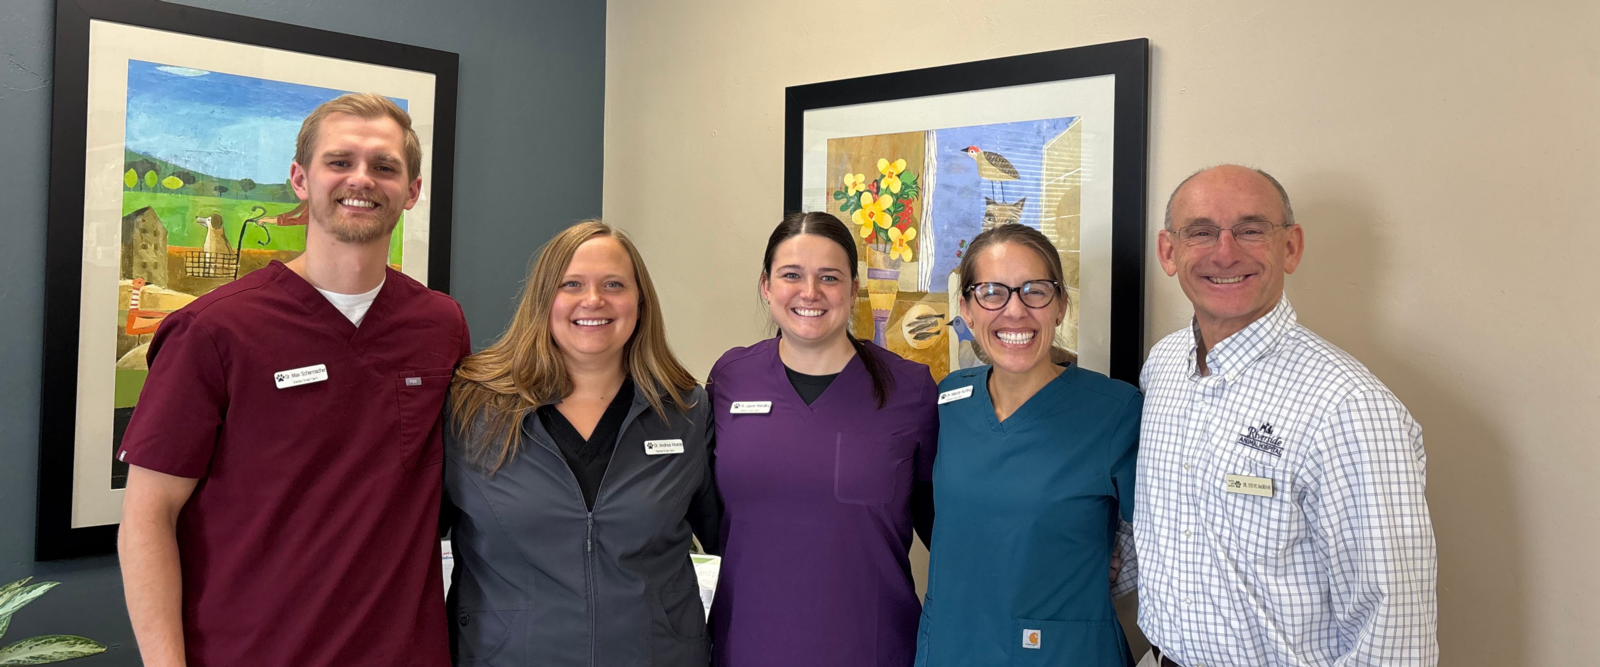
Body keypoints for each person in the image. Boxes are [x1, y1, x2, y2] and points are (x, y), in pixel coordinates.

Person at [117, 93, 469, 667]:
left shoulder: (440, 325)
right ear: (300, 179)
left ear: (412, 190)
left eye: (384, 166)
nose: (361, 179)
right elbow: (148, 518)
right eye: (340, 161)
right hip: (250, 650)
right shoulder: (213, 331)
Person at [1135, 165, 1437, 667]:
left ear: (1291, 247)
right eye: (1201, 232)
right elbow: (1162, 520)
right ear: (1169, 252)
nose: (1225, 252)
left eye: (1251, 230)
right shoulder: (1163, 366)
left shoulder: (1349, 407)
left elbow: (1393, 629)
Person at [443, 220, 719, 666]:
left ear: (640, 301)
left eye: (614, 284)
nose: (593, 300)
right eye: (571, 284)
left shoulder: (685, 411)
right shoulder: (472, 406)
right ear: (543, 299)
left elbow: (737, 534)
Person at [707, 212, 939, 667]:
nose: (810, 292)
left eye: (829, 277)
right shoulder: (731, 378)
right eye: (791, 275)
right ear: (766, 286)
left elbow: (947, 528)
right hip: (747, 645)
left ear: (854, 290)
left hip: (871, 648)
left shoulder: (910, 390)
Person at [915, 223, 1142, 667]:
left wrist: (1102, 565)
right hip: (952, 644)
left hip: (1064, 654)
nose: (1015, 310)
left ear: (1061, 306)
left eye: (1035, 291)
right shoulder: (949, 399)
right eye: (991, 292)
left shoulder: (1115, 411)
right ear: (966, 309)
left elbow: (1168, 539)